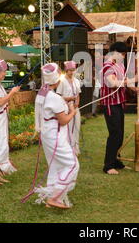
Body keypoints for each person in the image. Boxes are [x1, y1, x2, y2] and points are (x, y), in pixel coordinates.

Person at [33, 63, 79, 209]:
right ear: (57, 79)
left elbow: (52, 105)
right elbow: (64, 120)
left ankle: (51, 195)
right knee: (72, 165)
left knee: (55, 166)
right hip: (55, 136)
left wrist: (64, 101)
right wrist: (73, 112)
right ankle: (55, 196)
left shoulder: (42, 91)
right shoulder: (54, 98)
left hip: (48, 134)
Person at [100, 42, 139, 175]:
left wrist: (134, 89)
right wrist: (133, 79)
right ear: (114, 52)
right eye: (122, 54)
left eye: (124, 54)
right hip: (110, 104)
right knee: (114, 134)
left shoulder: (120, 65)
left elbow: (123, 82)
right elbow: (112, 83)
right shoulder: (107, 66)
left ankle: (116, 161)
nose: (123, 56)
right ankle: (108, 165)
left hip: (119, 102)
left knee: (120, 134)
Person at [56, 61, 82, 156]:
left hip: (75, 108)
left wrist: (77, 102)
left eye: (73, 70)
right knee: (68, 129)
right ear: (66, 70)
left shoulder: (76, 81)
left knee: (76, 127)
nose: (71, 72)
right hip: (66, 109)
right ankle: (67, 150)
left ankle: (75, 149)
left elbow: (78, 94)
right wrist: (69, 99)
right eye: (70, 70)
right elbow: (58, 97)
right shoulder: (62, 81)